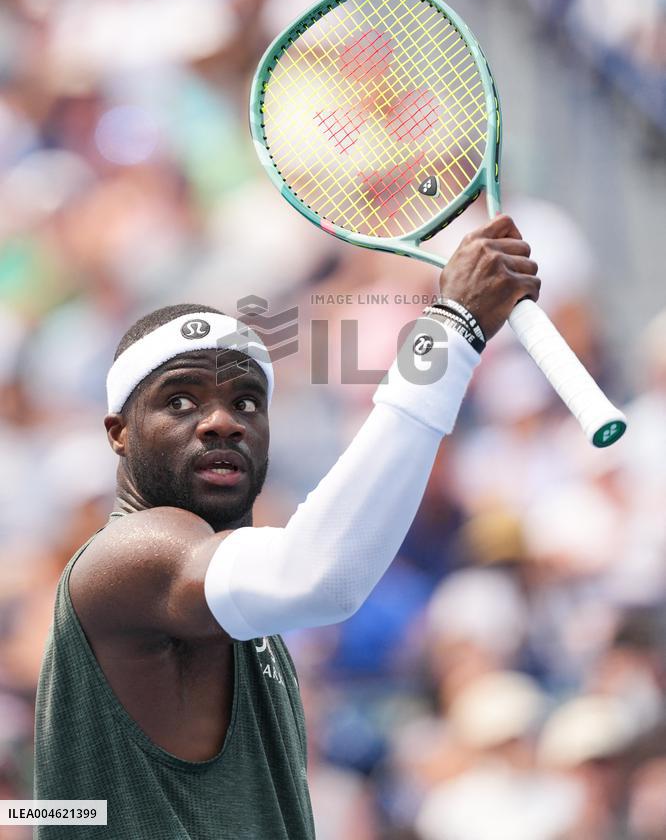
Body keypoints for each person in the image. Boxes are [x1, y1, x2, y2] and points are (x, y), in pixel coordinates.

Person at [33, 214, 539, 839]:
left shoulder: (236, 599)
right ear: (119, 434)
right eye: (180, 400)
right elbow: (319, 575)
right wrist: (452, 332)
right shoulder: (129, 556)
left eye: (246, 401)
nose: (222, 421)